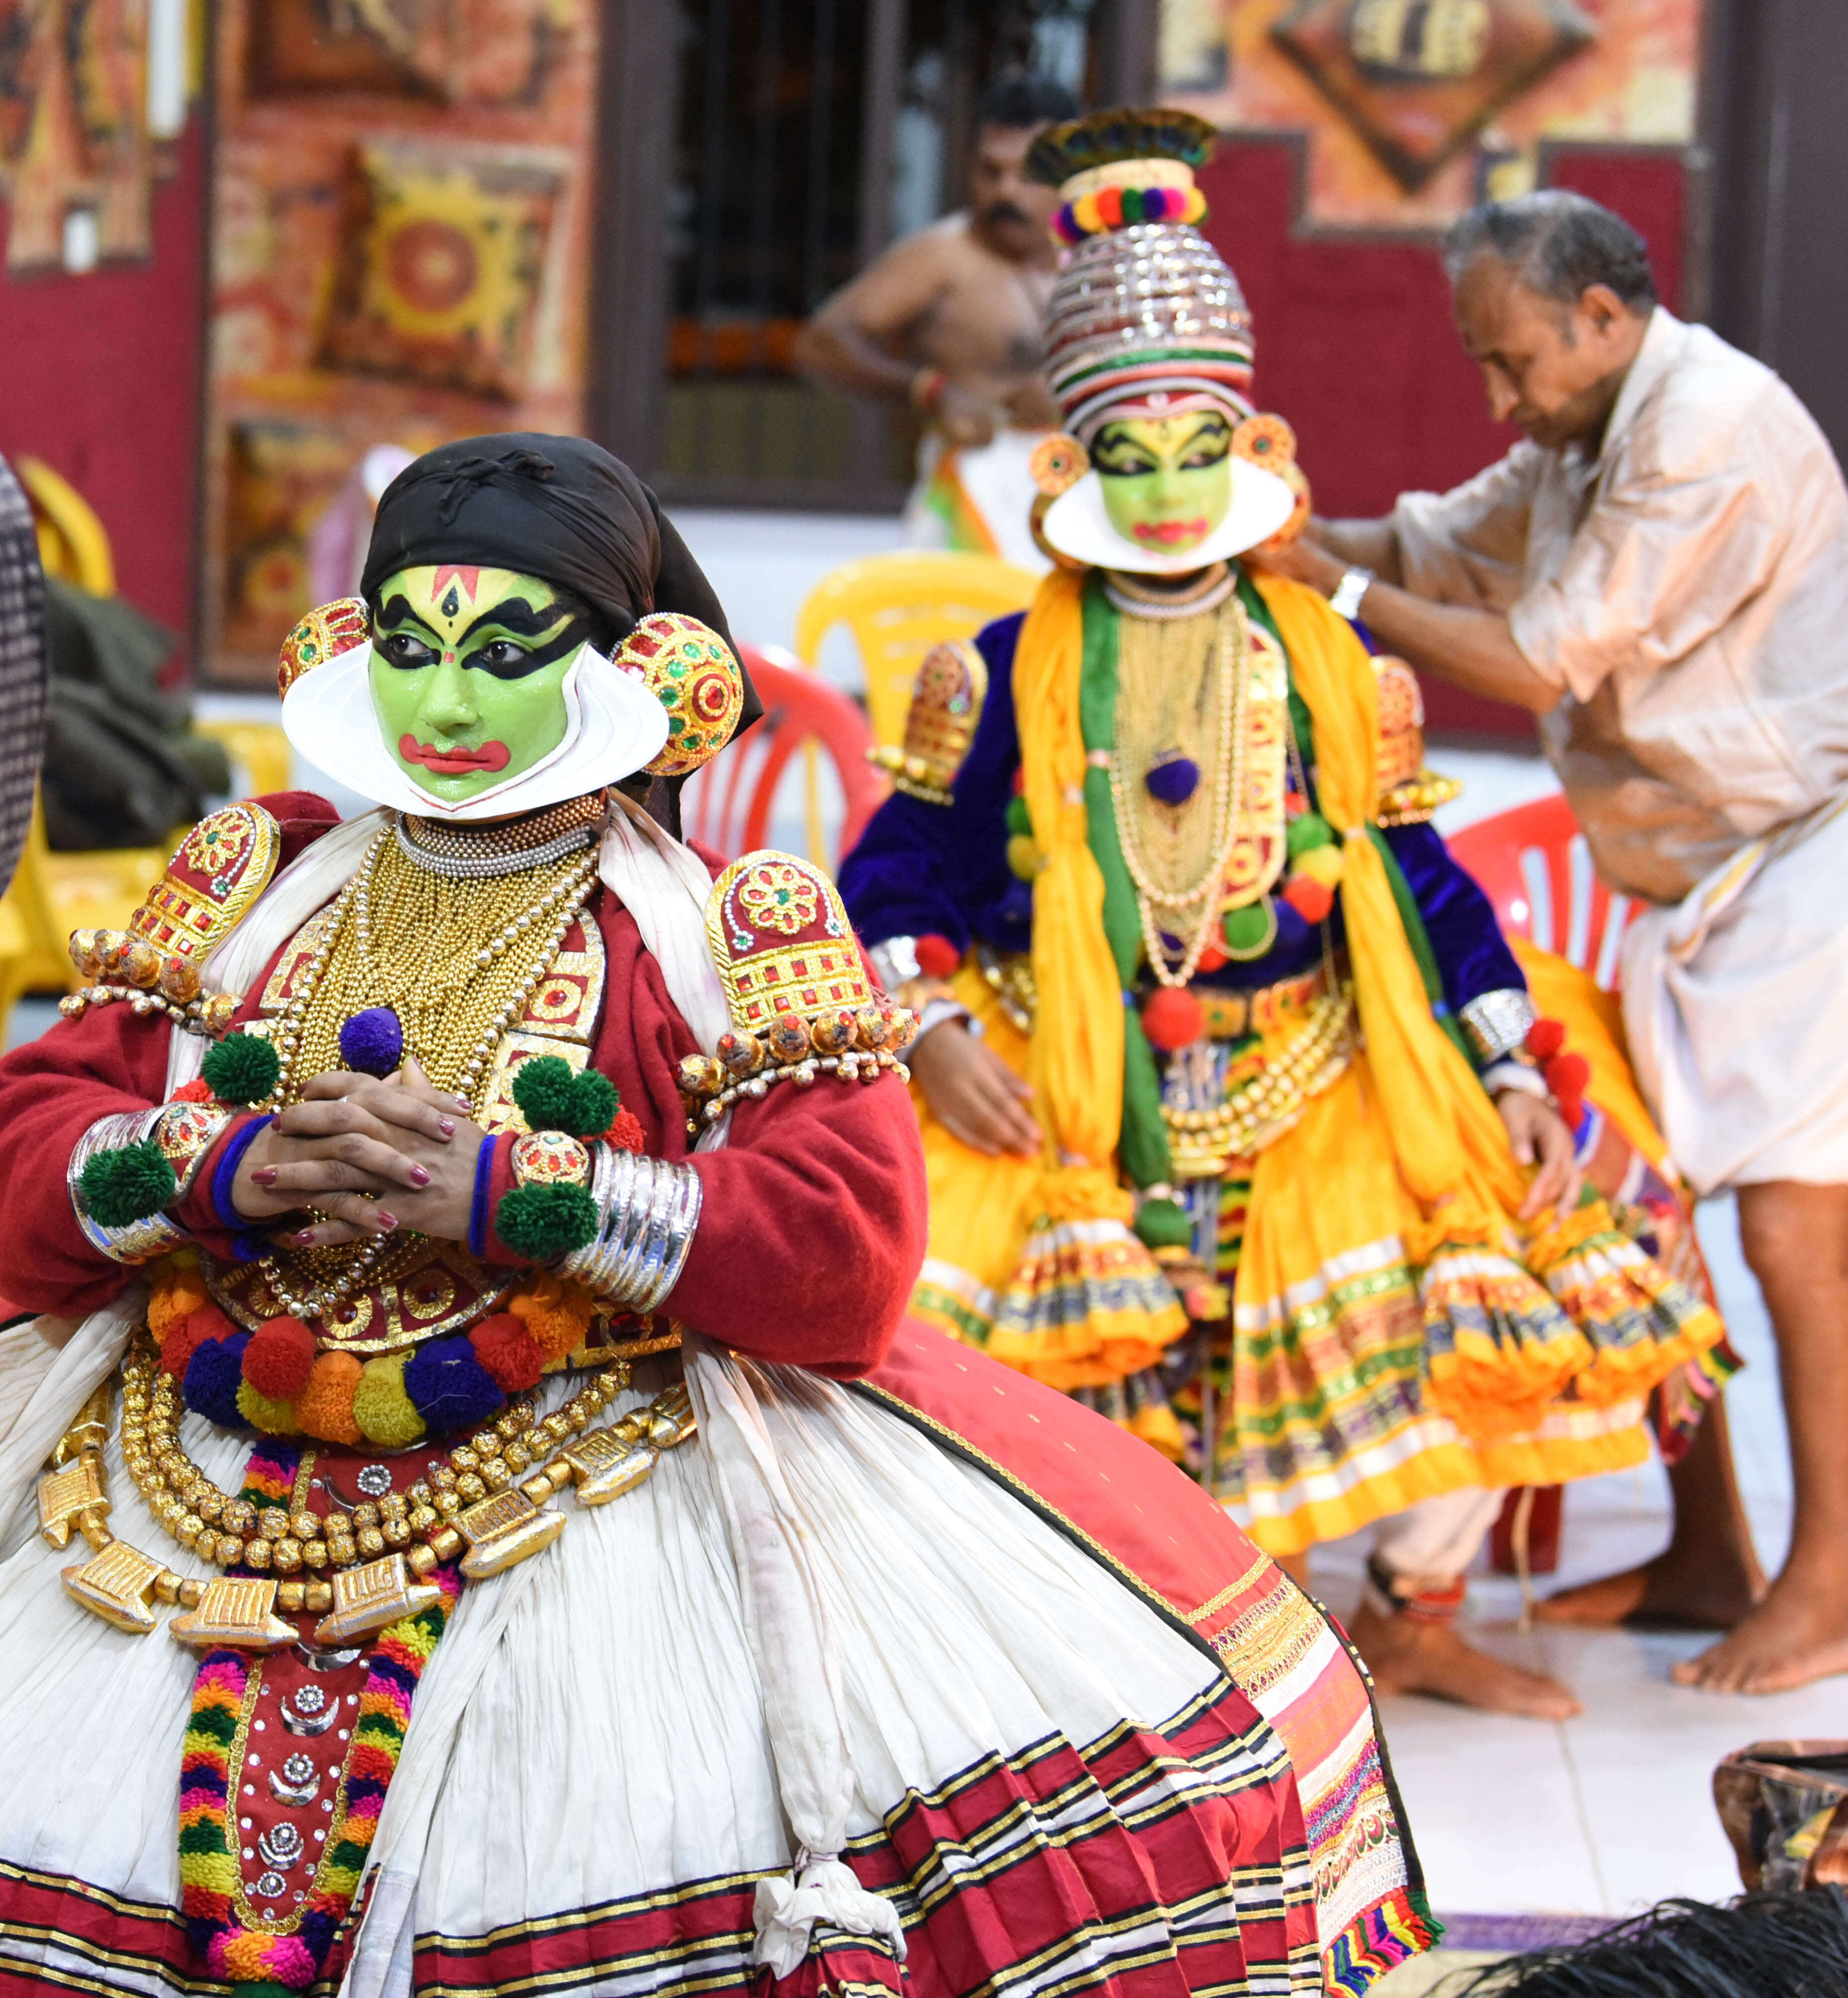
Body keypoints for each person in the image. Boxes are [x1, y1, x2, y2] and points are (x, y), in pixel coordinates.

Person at [0, 434, 1436, 1996]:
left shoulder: (726, 929)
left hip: (598, 1463)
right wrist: (221, 1172)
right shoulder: (256, 882)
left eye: (505, 654)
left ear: (640, 672)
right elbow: (30, 1141)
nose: (446, 705)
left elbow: (844, 1251)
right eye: (408, 647)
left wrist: (514, 1196)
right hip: (182, 1451)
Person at [839, 112, 1727, 1722]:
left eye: (1198, 447)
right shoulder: (996, 672)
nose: (1170, 487)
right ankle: (1132, 1635)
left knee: (1519, 1233)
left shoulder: (1327, 660)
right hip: (1069, 1071)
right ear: (1074, 465)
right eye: (1130, 456)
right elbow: (891, 873)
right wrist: (933, 1026)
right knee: (978, 1324)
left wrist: (1506, 1063)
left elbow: (1413, 875)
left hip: (1315, 1056)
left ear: (1249, 448)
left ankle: (1412, 1612)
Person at [1259, 190, 1848, 1697]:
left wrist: (1323, 582)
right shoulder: (1580, 427)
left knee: (1793, 1233)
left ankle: (1828, 1582)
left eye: (1508, 360)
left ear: (1601, 315)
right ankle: (1706, 1549)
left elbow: (1530, 655)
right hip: (1692, 879)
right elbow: (1425, 550)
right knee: (1645, 1206)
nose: (1494, 397)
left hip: (1805, 861)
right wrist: (1261, 528)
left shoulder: (1701, 424)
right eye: (1480, 362)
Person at [793, 73, 1078, 573]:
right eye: (990, 171)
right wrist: (930, 391)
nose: (1005, 190)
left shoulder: (1098, 260)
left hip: (1077, 505)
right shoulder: (943, 257)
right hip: (972, 499)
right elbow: (819, 344)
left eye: (1027, 175)